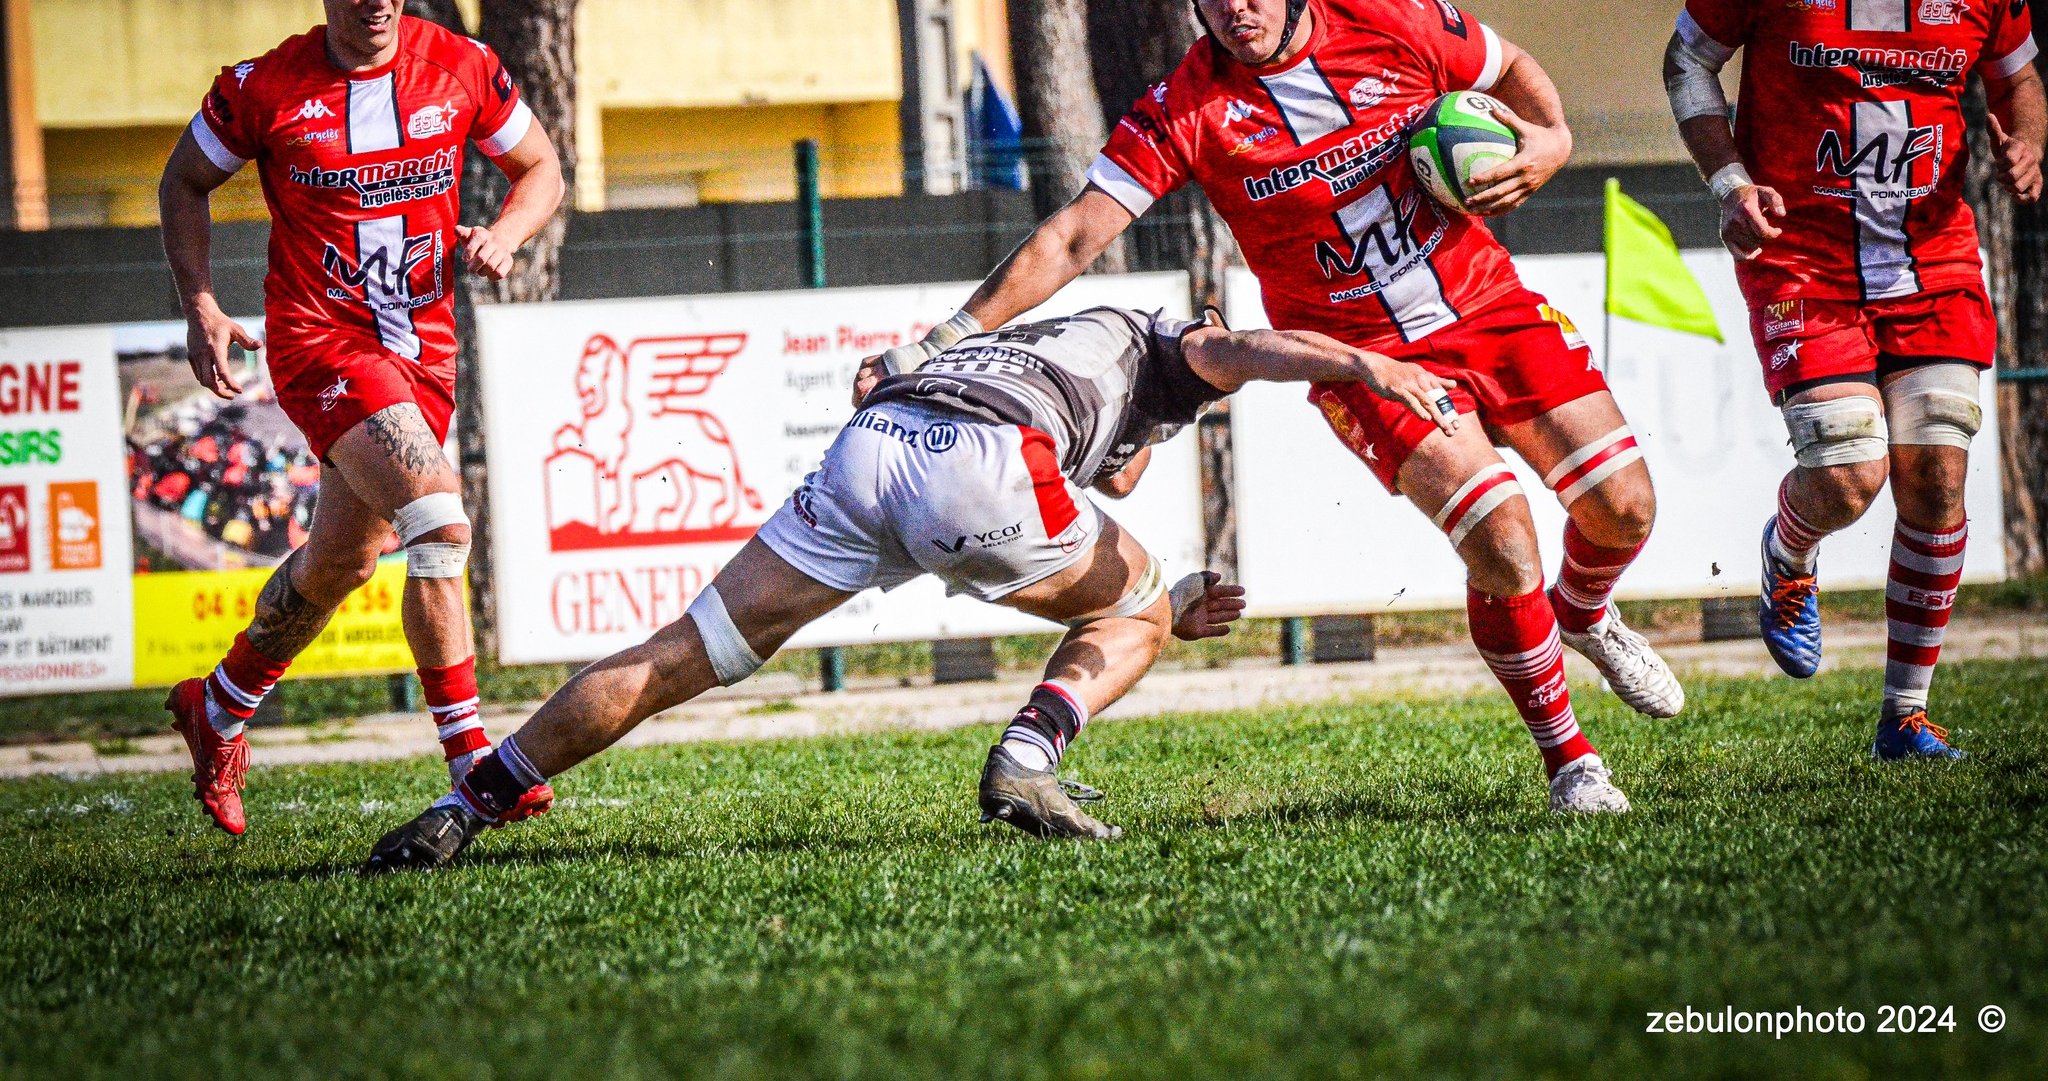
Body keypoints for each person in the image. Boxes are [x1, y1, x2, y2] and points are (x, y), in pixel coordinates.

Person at [857, 0, 1686, 814]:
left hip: (1488, 307)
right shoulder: (1187, 105)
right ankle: (1573, 762)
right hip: (1352, 353)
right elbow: (1073, 237)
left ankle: (1583, 611)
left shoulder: (1392, 19)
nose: (1234, 3)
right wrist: (943, 341)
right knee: (1501, 536)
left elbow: (1513, 66)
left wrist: (1552, 138)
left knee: (1623, 509)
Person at [361, 305, 1462, 869]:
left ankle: (471, 802)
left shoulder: (1048, 345)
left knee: (673, 656)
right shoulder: (1168, 342)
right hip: (974, 463)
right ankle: (1025, 763)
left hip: (874, 444)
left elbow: (1106, 468)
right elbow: (1249, 352)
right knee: (1141, 605)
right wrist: (1369, 365)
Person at [158, 0, 566, 832]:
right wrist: (203, 306)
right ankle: (473, 757)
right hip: (320, 342)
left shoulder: (459, 67)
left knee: (342, 559)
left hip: (421, 348)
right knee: (438, 517)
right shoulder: (263, 87)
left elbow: (541, 167)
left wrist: (506, 232)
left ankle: (216, 705)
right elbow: (183, 179)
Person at [1663, 0, 2043, 759]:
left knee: (1936, 481)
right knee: (1843, 478)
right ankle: (1787, 555)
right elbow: (1685, 61)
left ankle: (1902, 715)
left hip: (1933, 254)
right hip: (1802, 254)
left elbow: (2017, 77)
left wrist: (2025, 143)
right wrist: (1728, 182)